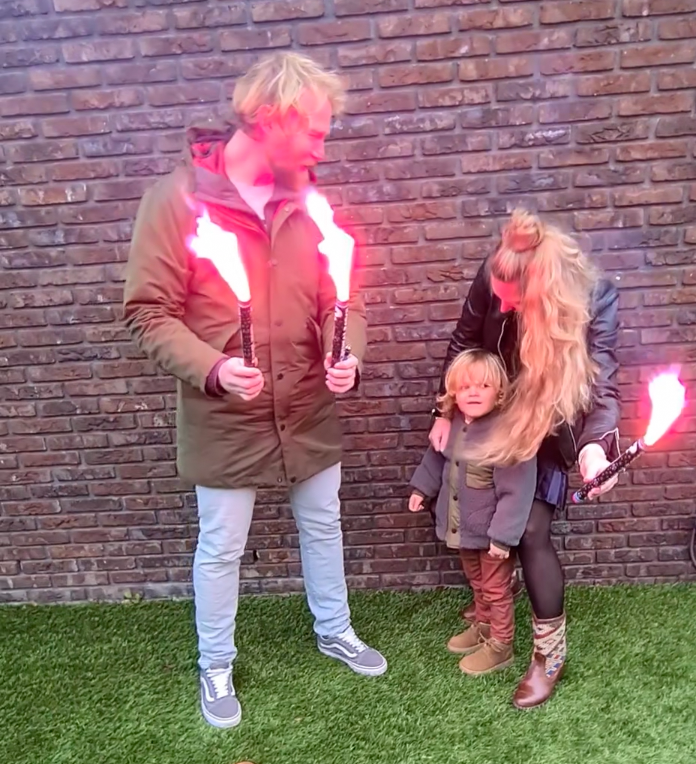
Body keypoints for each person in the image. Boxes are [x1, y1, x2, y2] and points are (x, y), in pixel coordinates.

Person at [123, 51, 387, 730]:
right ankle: (215, 663)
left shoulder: (310, 203)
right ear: (272, 120)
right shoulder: (176, 201)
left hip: (307, 407)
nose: (322, 148)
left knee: (323, 524)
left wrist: (347, 353)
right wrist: (212, 367)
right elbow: (147, 311)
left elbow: (343, 301)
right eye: (315, 132)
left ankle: (335, 629)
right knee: (221, 546)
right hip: (226, 415)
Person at [429, 209, 620, 709]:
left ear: (545, 291)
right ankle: (493, 611)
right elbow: (464, 341)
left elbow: (602, 386)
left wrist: (596, 447)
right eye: (498, 296)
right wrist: (443, 409)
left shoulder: (596, 297)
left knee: (531, 530)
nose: (504, 305)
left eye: (513, 300)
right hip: (493, 416)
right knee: (473, 506)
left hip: (551, 425)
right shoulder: (494, 274)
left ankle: (549, 655)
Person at [409, 349, 536, 675]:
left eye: (483, 386)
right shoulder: (452, 425)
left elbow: (517, 491)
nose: (473, 393)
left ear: (499, 392)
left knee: (496, 588)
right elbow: (436, 459)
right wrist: (421, 489)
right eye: (465, 387)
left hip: (491, 534)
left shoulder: (506, 433)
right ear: (453, 393)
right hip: (463, 527)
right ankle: (483, 626)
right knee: (477, 582)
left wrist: (503, 537)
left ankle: (501, 645)